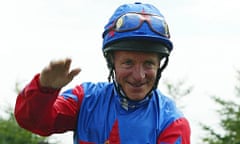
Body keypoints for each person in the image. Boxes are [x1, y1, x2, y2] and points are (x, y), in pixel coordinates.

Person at [14, 2, 191, 144]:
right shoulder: (86, 99)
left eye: (148, 64)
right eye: (128, 62)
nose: (139, 75)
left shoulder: (172, 123)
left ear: (160, 65)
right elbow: (34, 122)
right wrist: (44, 91)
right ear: (111, 62)